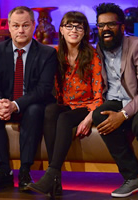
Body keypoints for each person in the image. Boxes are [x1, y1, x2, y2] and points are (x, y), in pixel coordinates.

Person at [0, 6, 57, 191]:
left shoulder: (47, 53)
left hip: (29, 105)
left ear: (33, 25)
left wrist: (16, 104)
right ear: (10, 28)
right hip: (6, 104)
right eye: (15, 26)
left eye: (25, 25)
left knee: (34, 109)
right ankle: (3, 170)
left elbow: (44, 89)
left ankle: (24, 170)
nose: (20, 30)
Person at [27, 11, 103, 197]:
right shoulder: (54, 54)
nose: (74, 30)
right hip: (64, 103)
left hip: (86, 106)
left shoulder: (92, 55)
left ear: (85, 32)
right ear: (61, 30)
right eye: (69, 26)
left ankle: (52, 174)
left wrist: (89, 117)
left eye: (79, 27)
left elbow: (99, 94)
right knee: (51, 110)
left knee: (64, 118)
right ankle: (55, 180)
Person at [92, 3, 138, 198]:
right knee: (100, 115)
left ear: (122, 27)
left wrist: (122, 115)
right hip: (116, 100)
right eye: (101, 25)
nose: (105, 29)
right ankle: (133, 177)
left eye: (111, 24)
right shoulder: (98, 49)